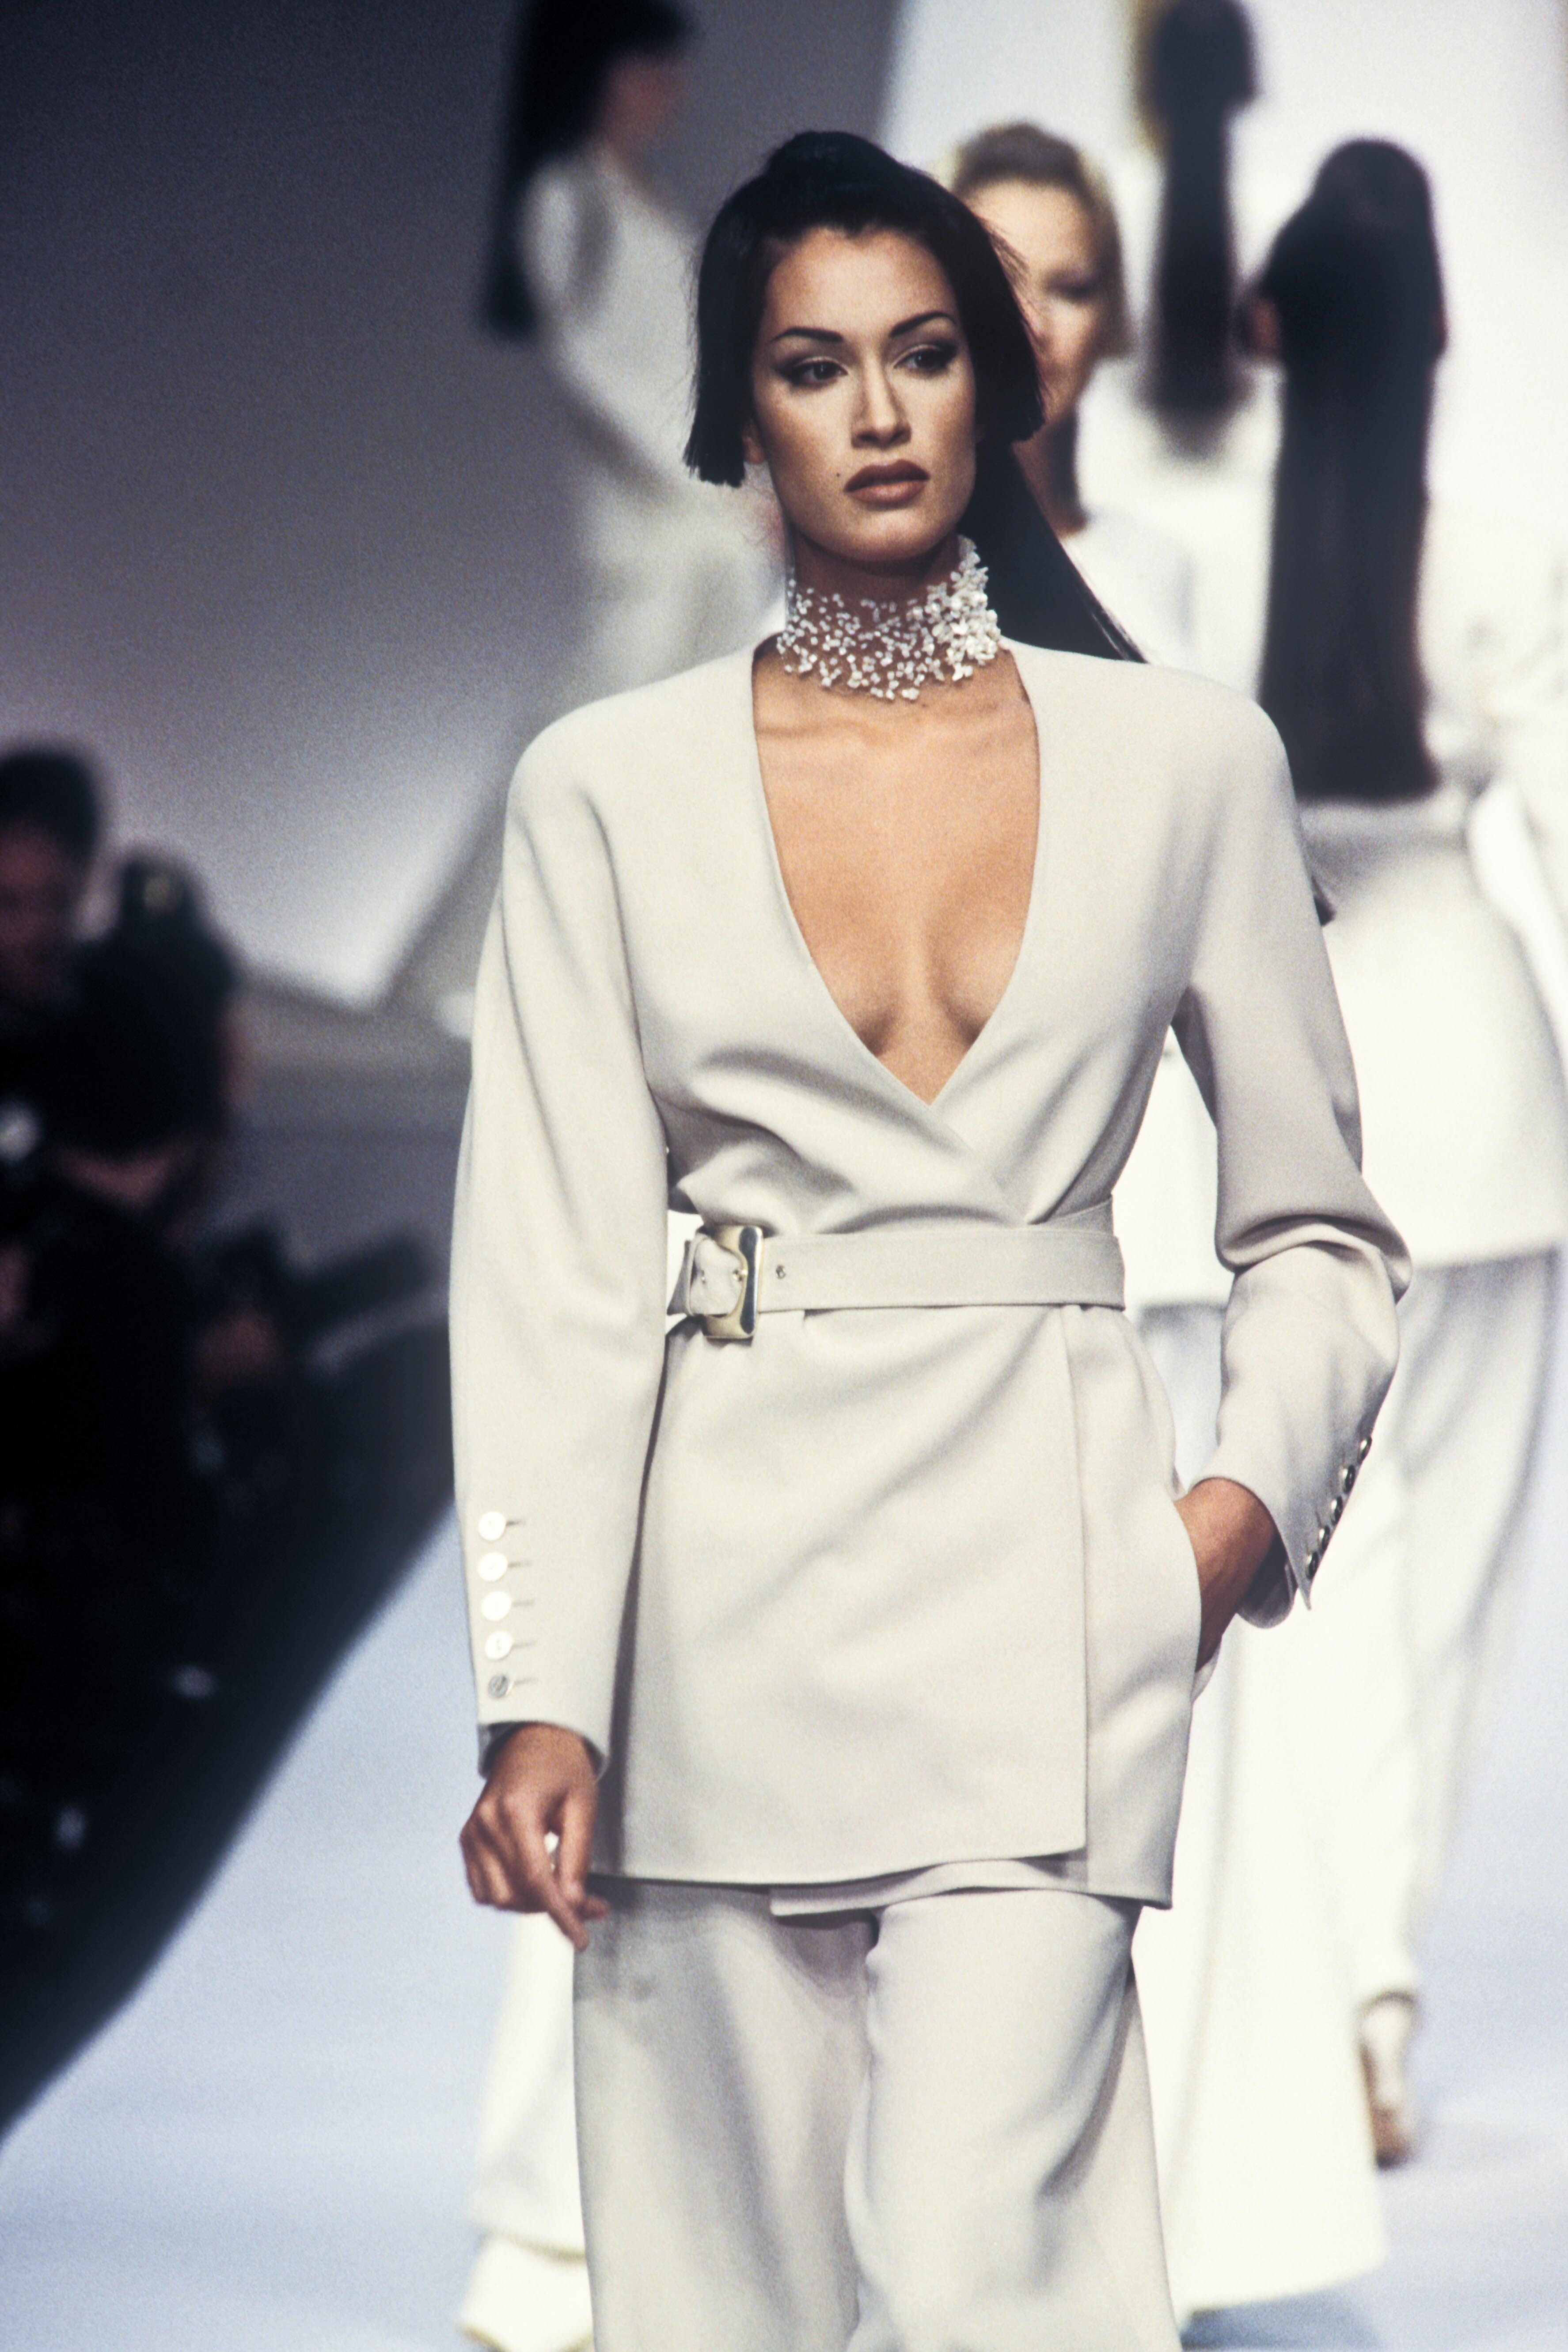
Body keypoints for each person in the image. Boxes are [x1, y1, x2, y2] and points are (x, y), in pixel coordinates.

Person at [450, 129, 1404, 2352]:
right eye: (813, 364)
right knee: (722, 2309)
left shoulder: (1184, 763)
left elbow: (1316, 1222)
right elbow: (551, 1279)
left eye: (923, 352)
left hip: (1048, 1596)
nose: (876, 413)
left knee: (1000, 2285)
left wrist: (1223, 1530)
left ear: (999, 382)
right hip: (711, 1617)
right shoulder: (604, 789)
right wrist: (534, 1688)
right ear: (738, 410)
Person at [1252, 141, 1568, 2162]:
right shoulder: (1496, 568)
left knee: (1308, 1571)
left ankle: (1318, 1990)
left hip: (1284, 1090)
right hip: (1478, 1096)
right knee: (1436, 1584)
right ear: (1440, 323)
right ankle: (1371, 1995)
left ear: (1267, 330)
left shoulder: (1208, 570)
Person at [949, 121, 1194, 669]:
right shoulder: (858, 586)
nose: (1033, 324)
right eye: (994, 283)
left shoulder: (1157, 565)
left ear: (1110, 313)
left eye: (1072, 289)